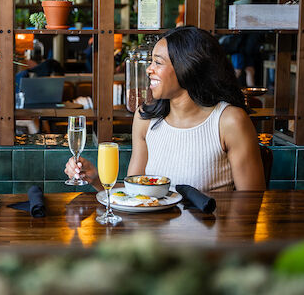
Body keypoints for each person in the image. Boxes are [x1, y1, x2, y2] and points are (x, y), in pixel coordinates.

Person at [65, 26, 265, 191]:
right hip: (154, 236)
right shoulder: (145, 118)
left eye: (157, 63)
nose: (149, 69)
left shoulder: (229, 121)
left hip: (209, 238)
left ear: (187, 67)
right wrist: (96, 179)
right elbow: (135, 193)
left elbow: (251, 204)